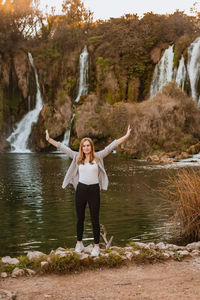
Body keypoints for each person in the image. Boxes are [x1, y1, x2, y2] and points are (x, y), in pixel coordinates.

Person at [45, 125, 131, 256]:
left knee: (95, 219)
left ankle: (96, 246)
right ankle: (79, 243)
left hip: (94, 191)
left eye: (88, 145)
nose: (86, 148)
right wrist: (49, 139)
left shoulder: (98, 156)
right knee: (80, 218)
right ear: (81, 148)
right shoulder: (76, 157)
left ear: (91, 146)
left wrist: (126, 136)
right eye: (84, 146)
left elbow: (112, 146)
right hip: (81, 190)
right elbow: (63, 148)